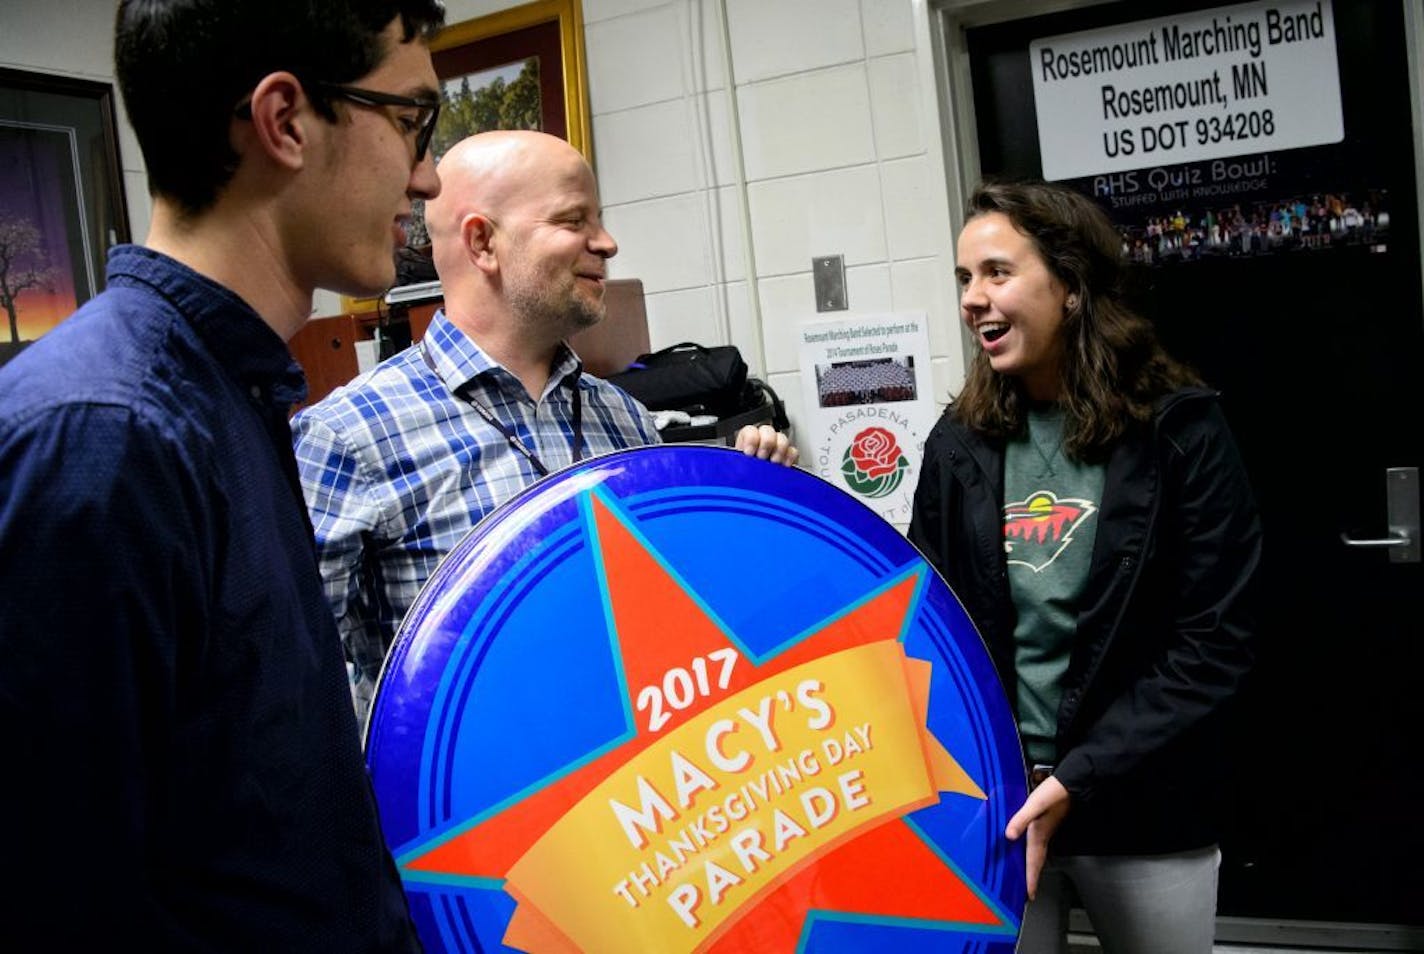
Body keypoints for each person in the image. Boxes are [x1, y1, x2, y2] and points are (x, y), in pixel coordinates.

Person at [0, 1, 446, 947]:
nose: (429, 173)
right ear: (285, 120)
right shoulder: (107, 438)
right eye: (413, 119)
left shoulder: (228, 393)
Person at [293, 130, 797, 725]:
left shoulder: (624, 417)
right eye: (573, 220)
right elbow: (296, 700)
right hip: (470, 812)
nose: (606, 244)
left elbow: (674, 620)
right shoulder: (349, 437)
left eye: (599, 220)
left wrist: (750, 511)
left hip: (641, 792)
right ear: (482, 242)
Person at [908, 180, 1261, 954]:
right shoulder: (959, 443)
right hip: (998, 799)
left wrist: (1080, 776)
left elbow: (1214, 643)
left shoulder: (1179, 429)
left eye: (997, 272)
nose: (974, 298)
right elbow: (923, 624)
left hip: (1144, 803)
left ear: (1069, 286)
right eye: (965, 279)